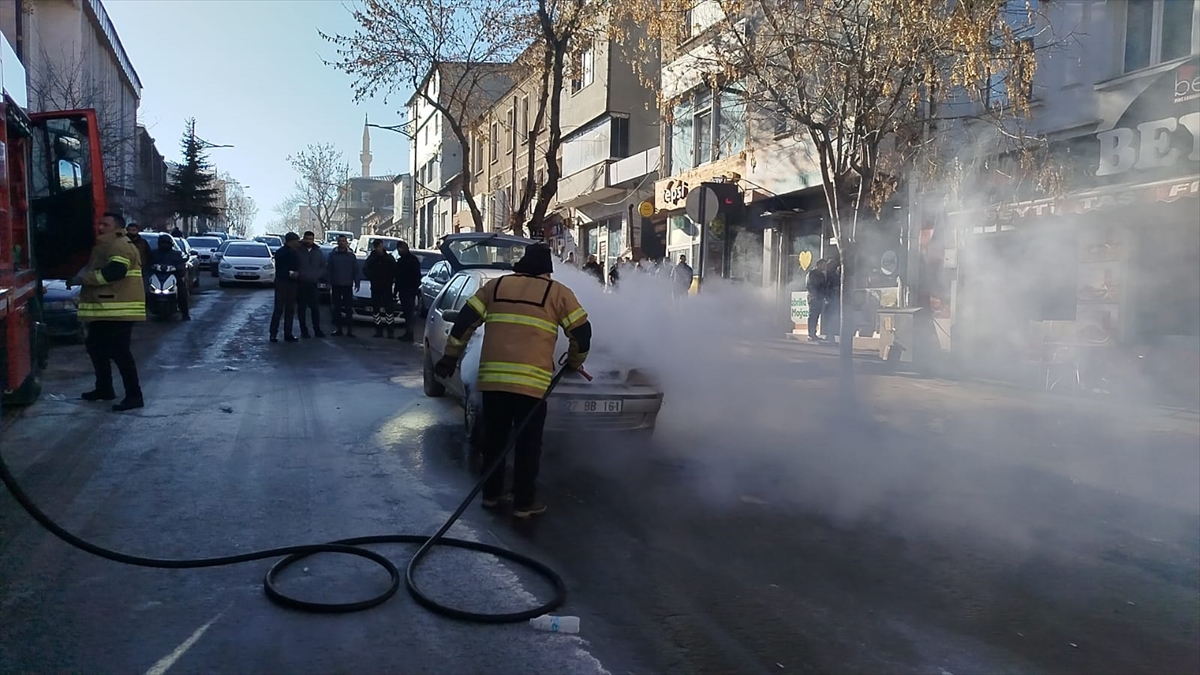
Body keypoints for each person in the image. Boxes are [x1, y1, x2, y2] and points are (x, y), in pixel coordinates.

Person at [434, 243, 591, 519]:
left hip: (494, 382)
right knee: (528, 443)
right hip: (532, 385)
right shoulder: (558, 293)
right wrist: (575, 361)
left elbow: (465, 322)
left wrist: (450, 357)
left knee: (494, 439)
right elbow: (582, 332)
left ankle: (491, 495)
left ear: (521, 265)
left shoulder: (495, 287)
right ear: (547, 270)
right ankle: (523, 503)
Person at [68, 212, 146, 411]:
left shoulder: (119, 245)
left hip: (118, 310)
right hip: (106, 308)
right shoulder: (105, 245)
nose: (100, 227)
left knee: (120, 353)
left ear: (117, 227)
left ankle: (134, 396)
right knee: (96, 348)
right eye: (99, 223)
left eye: (105, 224)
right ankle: (104, 388)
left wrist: (83, 279)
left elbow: (115, 272)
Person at [269, 232, 302, 343]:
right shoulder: (282, 252)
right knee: (279, 309)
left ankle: (288, 333)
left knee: (290, 309)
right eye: (296, 241)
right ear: (291, 242)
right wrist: (291, 273)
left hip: (292, 283)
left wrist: (297, 273)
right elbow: (281, 268)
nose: (298, 243)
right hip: (282, 282)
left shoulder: (296, 252)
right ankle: (273, 333)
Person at [327, 235, 361, 337]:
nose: (342, 243)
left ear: (346, 243)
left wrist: (357, 282)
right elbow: (329, 270)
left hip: (347, 285)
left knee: (348, 309)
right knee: (337, 309)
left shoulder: (351, 256)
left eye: (343, 241)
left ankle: (350, 331)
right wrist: (328, 282)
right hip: (336, 285)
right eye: (340, 241)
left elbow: (356, 270)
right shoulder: (333, 255)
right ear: (338, 242)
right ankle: (339, 329)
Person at [150, 233, 190, 320]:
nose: (165, 245)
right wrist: (151, 268)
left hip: (173, 276)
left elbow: (182, 264)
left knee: (182, 292)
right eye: (163, 243)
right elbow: (148, 263)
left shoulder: (177, 254)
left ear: (171, 244)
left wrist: (179, 269)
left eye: (167, 243)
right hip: (157, 276)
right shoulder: (154, 253)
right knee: (146, 289)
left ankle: (185, 313)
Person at [363, 239, 398, 338]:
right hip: (376, 287)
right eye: (377, 247)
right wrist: (372, 277)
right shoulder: (372, 258)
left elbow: (395, 270)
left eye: (380, 246)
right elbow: (365, 270)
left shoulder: (389, 258)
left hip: (387, 287)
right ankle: (378, 330)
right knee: (376, 309)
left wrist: (390, 278)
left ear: (382, 246)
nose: (378, 249)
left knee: (389, 309)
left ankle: (390, 331)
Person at [295, 230, 327, 338]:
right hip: (301, 283)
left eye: (311, 239)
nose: (309, 241)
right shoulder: (298, 251)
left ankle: (317, 330)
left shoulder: (318, 252)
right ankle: (304, 331)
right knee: (302, 308)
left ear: (313, 240)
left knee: (315, 308)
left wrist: (318, 275)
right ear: (304, 239)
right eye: (307, 239)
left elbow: (323, 266)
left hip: (313, 283)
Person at [394, 240, 423, 342]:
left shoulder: (406, 261)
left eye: (401, 249)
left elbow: (399, 277)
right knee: (408, 312)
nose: (400, 251)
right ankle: (408, 333)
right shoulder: (409, 260)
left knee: (409, 312)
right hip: (407, 289)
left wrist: (396, 290)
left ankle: (409, 333)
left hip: (408, 289)